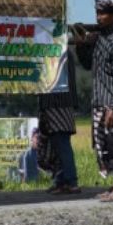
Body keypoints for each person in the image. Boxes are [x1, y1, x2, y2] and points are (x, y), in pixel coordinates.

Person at [75, 0, 113, 202]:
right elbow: (87, 64)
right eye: (98, 13)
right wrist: (82, 45)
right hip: (99, 100)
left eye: (104, 13)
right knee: (105, 145)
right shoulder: (99, 39)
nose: (100, 17)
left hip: (112, 102)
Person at [37, 49, 80, 194]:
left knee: (61, 143)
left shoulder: (59, 51)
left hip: (58, 103)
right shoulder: (63, 51)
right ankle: (61, 180)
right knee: (57, 145)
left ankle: (70, 181)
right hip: (57, 103)